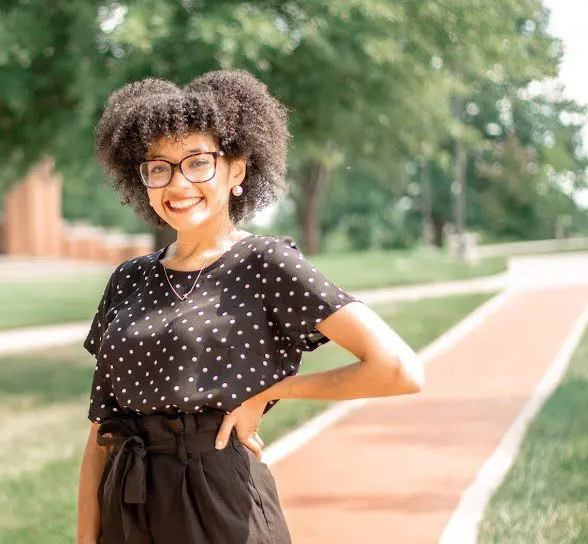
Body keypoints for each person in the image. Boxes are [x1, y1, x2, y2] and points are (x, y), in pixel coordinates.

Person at [76, 69, 425, 544]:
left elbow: (399, 369)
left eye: (198, 162)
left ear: (236, 169)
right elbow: (101, 432)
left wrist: (269, 393)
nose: (178, 184)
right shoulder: (128, 279)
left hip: (220, 505)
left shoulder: (265, 263)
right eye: (159, 167)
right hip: (128, 506)